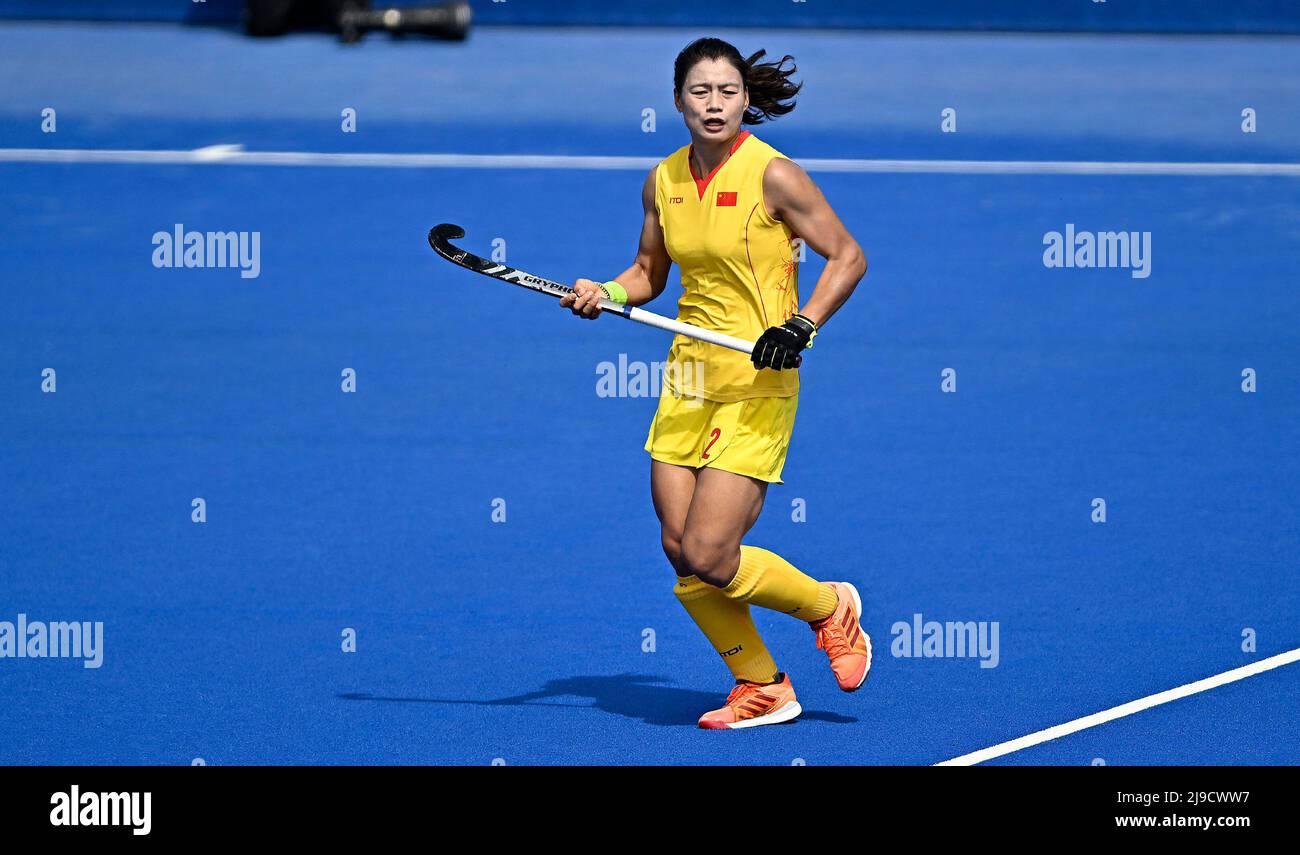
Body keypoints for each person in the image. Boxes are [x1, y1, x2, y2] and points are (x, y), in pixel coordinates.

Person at [560, 37, 869, 729]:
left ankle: (830, 607)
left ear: (746, 99)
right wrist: (604, 290)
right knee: (679, 549)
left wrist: (802, 323)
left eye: (727, 91)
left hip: (761, 376)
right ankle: (762, 684)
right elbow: (648, 273)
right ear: (677, 100)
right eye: (700, 92)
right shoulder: (662, 179)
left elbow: (848, 255)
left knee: (710, 550)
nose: (714, 104)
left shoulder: (775, 175)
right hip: (689, 375)